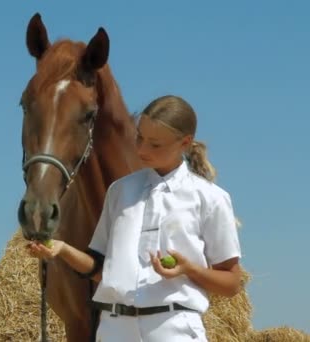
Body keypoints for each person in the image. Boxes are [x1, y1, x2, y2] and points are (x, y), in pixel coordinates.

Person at [28, 95, 242, 341]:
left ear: (185, 142)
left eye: (155, 144)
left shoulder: (210, 198)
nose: (141, 149)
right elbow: (100, 269)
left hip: (174, 328)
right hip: (113, 329)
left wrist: (189, 269)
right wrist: (62, 249)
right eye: (139, 137)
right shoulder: (120, 191)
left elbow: (232, 282)